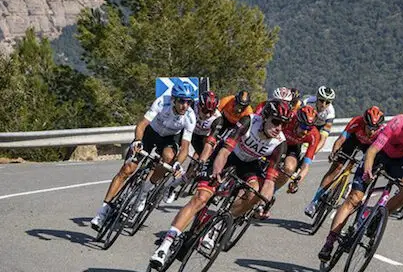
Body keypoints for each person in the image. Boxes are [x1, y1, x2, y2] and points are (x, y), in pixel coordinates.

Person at [149, 100, 291, 269]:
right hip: (227, 155)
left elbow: (269, 181)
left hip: (249, 165)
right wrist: (217, 173)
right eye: (276, 121)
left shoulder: (280, 143)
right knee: (201, 198)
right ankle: (165, 246)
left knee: (255, 192)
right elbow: (224, 152)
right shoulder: (249, 121)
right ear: (265, 117)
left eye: (284, 124)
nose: (279, 128)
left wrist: (263, 202)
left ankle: (218, 224)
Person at [317, 101, 403, 262]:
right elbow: (372, 150)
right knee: (354, 198)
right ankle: (330, 241)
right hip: (378, 154)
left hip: (397, 161)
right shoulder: (399, 123)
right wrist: (367, 171)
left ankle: (379, 217)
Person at [90, 82, 196, 230]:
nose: (185, 106)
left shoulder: (190, 117)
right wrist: (138, 141)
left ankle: (145, 191)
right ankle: (103, 210)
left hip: (169, 139)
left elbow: (185, 147)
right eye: (182, 101)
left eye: (189, 102)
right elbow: (142, 124)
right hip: (150, 133)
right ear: (173, 99)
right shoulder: (162, 102)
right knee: (127, 169)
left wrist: (178, 163)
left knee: (168, 159)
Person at [304, 106, 385, 217]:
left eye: (375, 128)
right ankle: (314, 201)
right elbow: (341, 139)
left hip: (369, 147)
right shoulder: (357, 122)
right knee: (336, 168)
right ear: (364, 123)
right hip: (353, 140)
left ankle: (351, 185)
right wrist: (334, 152)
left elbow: (379, 153)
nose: (372, 131)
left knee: (365, 169)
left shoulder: (382, 131)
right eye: (369, 127)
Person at [164, 90, 222, 204]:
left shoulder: (217, 118)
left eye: (211, 111)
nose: (208, 115)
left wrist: (202, 160)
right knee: (172, 153)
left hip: (200, 137)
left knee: (201, 163)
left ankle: (173, 186)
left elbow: (210, 142)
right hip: (184, 131)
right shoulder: (190, 106)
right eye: (205, 111)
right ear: (199, 105)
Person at [274, 106, 321, 197]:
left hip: (293, 147)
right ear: (296, 121)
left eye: (309, 128)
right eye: (303, 126)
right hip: (278, 141)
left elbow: (305, 165)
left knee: (289, 169)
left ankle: (271, 191)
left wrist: (296, 182)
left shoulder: (314, 135)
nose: (305, 132)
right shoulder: (289, 119)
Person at [303, 86, 336, 153]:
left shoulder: (330, 113)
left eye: (327, 102)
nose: (323, 105)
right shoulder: (307, 102)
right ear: (317, 98)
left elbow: (323, 139)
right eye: (321, 100)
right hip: (306, 124)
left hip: (320, 127)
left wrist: (312, 154)